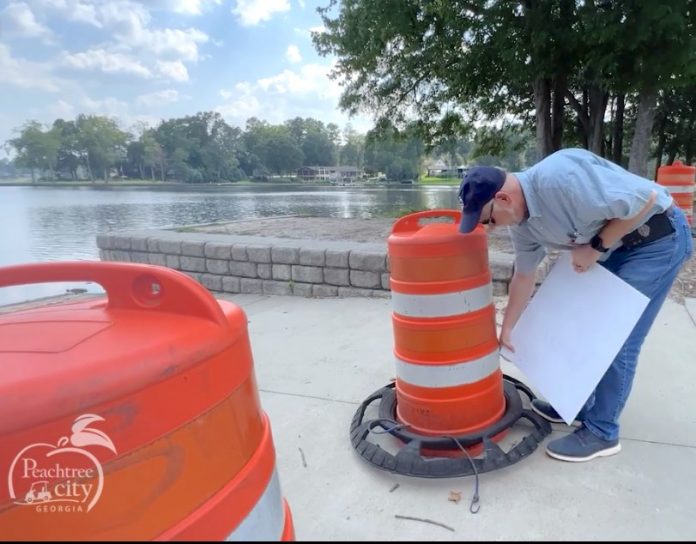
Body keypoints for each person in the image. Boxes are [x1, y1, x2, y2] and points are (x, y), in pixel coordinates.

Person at [457, 148, 693, 462]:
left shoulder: (561, 180)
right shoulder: (522, 225)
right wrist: (509, 327)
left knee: (617, 338)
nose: (490, 227)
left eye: (488, 220)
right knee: (581, 324)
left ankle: (602, 431)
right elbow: (524, 276)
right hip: (617, 246)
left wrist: (597, 246)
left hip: (657, 240)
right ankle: (577, 403)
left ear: (503, 199)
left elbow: (645, 199)